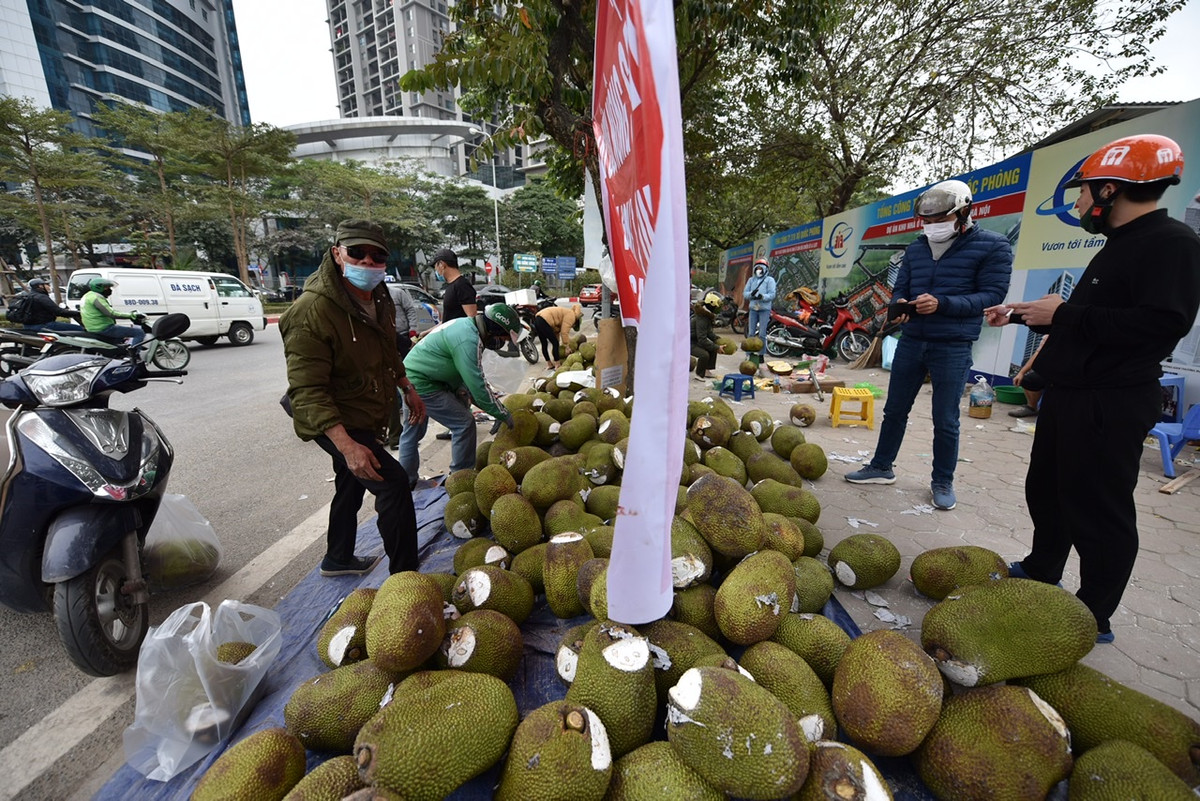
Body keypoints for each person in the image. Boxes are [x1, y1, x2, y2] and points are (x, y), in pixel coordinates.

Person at [985, 134, 1200, 644]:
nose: (1078, 202)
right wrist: (1022, 314)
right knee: (1048, 490)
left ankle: (1092, 615)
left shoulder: (1173, 243)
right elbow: (1086, 320)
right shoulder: (1119, 245)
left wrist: (1065, 314)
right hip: (1072, 394)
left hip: (1111, 400)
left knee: (1099, 510)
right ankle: (1043, 569)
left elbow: (1161, 324)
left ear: (1109, 190)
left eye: (1082, 192)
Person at [845, 179, 1013, 511]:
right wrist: (900, 304)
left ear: (964, 213)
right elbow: (901, 287)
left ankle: (942, 481)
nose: (933, 226)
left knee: (946, 418)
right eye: (928, 221)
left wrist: (942, 303)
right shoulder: (917, 248)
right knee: (895, 410)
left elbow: (992, 295)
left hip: (953, 344)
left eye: (940, 220)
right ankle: (881, 466)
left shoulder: (993, 246)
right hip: (912, 340)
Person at [280, 219, 428, 577]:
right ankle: (406, 580)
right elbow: (307, 390)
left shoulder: (380, 298)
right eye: (357, 253)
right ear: (337, 253)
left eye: (377, 256)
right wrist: (347, 446)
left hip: (362, 409)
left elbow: (388, 350)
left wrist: (406, 387)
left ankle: (337, 557)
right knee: (392, 484)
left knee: (351, 482)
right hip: (330, 415)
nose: (367, 262)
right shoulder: (311, 310)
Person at [398, 304, 520, 484]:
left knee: (412, 432)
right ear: (494, 330)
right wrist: (502, 414)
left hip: (411, 376)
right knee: (464, 423)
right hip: (423, 383)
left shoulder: (467, 326)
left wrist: (462, 389)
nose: (502, 342)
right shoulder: (469, 340)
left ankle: (406, 482)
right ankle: (460, 477)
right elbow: (477, 385)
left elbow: (464, 375)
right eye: (503, 337)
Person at [385, 284, 421, 449]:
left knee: (406, 380)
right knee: (388, 390)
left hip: (401, 338)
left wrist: (413, 333)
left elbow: (410, 311)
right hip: (385, 342)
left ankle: (400, 435)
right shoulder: (366, 298)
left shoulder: (397, 293)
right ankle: (393, 436)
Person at [80, 278, 146, 346]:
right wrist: (132, 315)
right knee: (139, 332)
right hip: (103, 328)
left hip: (93, 327)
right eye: (107, 288)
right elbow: (111, 313)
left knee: (121, 337)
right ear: (99, 288)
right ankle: (134, 352)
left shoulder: (88, 296)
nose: (110, 290)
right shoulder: (96, 298)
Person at [12, 278, 84, 333]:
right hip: (44, 325)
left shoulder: (29, 296)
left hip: (28, 326)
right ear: (40, 286)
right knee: (79, 329)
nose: (49, 286)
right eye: (47, 285)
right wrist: (78, 313)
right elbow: (58, 312)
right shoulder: (41, 297)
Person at [532, 302, 582, 369]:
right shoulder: (571, 316)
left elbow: (556, 331)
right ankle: (557, 364)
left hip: (537, 320)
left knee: (544, 343)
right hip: (545, 320)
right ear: (576, 322)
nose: (572, 326)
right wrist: (567, 346)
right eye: (573, 326)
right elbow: (564, 332)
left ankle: (549, 364)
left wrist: (559, 342)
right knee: (555, 343)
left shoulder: (566, 312)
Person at [1008, 335, 1047, 418]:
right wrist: (1021, 373)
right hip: (1049, 369)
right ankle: (1032, 407)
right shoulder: (1049, 337)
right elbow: (1037, 353)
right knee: (1026, 375)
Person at [744, 258, 776, 359]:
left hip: (764, 309)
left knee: (762, 333)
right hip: (753, 308)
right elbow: (745, 294)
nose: (759, 270)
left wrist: (762, 296)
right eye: (757, 268)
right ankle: (749, 354)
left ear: (765, 269)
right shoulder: (751, 280)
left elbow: (772, 294)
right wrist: (751, 294)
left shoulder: (769, 280)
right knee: (751, 333)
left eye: (761, 268)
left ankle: (761, 354)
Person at [432, 248, 477, 320]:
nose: (436, 271)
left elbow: (471, 318)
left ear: (441, 264)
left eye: (435, 267)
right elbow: (447, 320)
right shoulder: (451, 286)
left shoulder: (462, 285)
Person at [691, 292, 722, 381]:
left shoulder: (706, 316)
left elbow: (709, 332)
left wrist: (717, 340)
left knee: (712, 348)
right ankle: (699, 374)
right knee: (704, 355)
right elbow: (702, 339)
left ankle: (707, 371)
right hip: (689, 342)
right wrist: (716, 347)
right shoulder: (702, 318)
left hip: (696, 340)